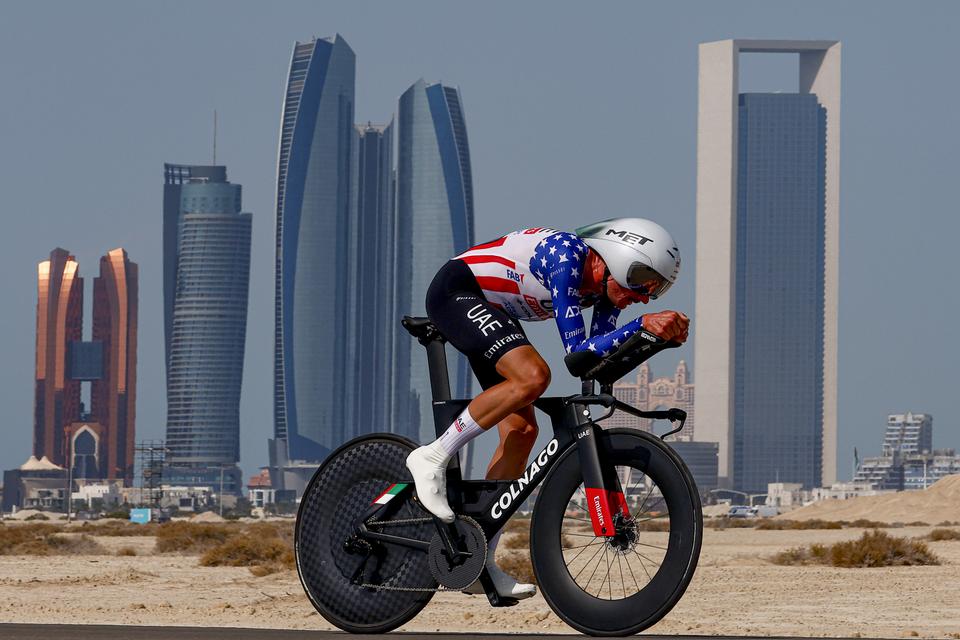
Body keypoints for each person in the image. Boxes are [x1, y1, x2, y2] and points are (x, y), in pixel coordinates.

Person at [406, 217, 689, 599]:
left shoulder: (606, 291)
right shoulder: (567, 258)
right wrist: (641, 324)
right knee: (533, 377)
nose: (645, 295)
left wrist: (655, 338)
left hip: (493, 311)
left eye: (657, 290)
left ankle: (475, 557)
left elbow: (596, 362)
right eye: (644, 281)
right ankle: (432, 456)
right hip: (456, 291)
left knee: (522, 432)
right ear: (622, 257)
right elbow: (577, 354)